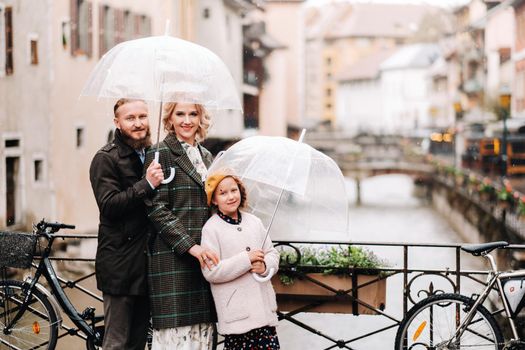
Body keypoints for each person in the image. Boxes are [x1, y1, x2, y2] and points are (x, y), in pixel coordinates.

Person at [89, 98, 164, 350]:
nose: (138, 123)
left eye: (142, 116)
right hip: (119, 265)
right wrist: (147, 184)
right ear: (117, 123)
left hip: (146, 265)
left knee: (137, 342)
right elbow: (109, 206)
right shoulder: (105, 158)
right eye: (130, 118)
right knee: (116, 343)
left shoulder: (152, 155)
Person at [144, 102, 219, 350]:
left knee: (202, 335)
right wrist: (191, 247)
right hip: (173, 257)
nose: (186, 120)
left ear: (201, 118)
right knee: (177, 338)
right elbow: (156, 209)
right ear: (170, 118)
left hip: (206, 258)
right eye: (180, 114)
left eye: (193, 114)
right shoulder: (159, 152)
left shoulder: (206, 156)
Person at [201, 170, 280, 350]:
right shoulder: (211, 229)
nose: (230, 197)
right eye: (223, 193)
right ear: (214, 200)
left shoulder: (254, 222)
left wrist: (265, 266)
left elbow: (272, 253)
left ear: (241, 192)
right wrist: (246, 259)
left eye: (234, 190)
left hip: (263, 315)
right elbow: (211, 271)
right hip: (238, 317)